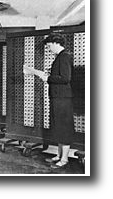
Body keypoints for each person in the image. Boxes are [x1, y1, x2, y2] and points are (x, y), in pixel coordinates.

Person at [24, 33, 74, 169]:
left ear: (56, 43)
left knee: (64, 128)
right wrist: (47, 75)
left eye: (49, 45)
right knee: (58, 126)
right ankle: (59, 155)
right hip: (58, 97)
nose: (48, 48)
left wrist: (47, 78)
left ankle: (64, 159)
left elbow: (65, 78)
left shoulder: (64, 57)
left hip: (63, 99)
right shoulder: (60, 57)